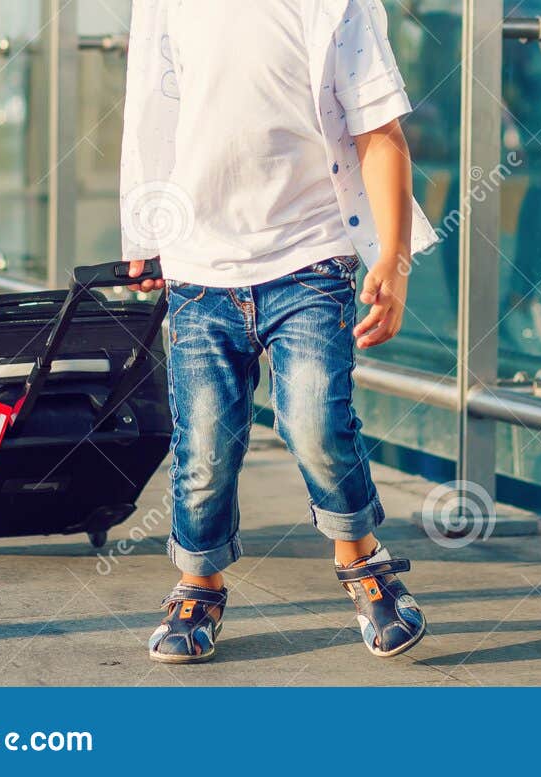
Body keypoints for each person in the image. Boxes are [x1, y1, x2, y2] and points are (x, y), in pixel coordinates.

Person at [118, 0, 437, 663]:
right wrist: (147, 233)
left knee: (315, 420)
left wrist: (393, 264)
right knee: (204, 443)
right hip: (201, 267)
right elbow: (149, 111)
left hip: (310, 258)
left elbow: (380, 131)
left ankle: (363, 562)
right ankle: (198, 582)